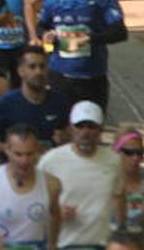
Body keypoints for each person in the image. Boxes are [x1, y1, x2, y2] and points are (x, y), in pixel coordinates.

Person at [38, 0, 127, 111]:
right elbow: (41, 25)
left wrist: (91, 38)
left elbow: (120, 32)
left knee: (91, 129)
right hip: (60, 75)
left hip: (93, 77)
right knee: (61, 129)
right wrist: (45, 35)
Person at [38, 100, 124, 250]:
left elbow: (119, 198)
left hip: (100, 244)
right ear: (71, 128)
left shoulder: (114, 161)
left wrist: (120, 233)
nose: (86, 132)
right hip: (63, 244)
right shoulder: (51, 160)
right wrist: (55, 212)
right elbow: (32, 201)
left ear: (100, 130)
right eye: (80, 126)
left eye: (91, 127)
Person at [0, 45, 71, 149]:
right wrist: (14, 149)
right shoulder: (5, 104)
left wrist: (65, 139)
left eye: (42, 66)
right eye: (32, 67)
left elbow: (70, 134)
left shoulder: (60, 102)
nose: (38, 72)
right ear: (20, 71)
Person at [111, 130, 144, 243]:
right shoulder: (103, 184)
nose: (135, 157)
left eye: (140, 152)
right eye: (129, 152)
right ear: (116, 152)